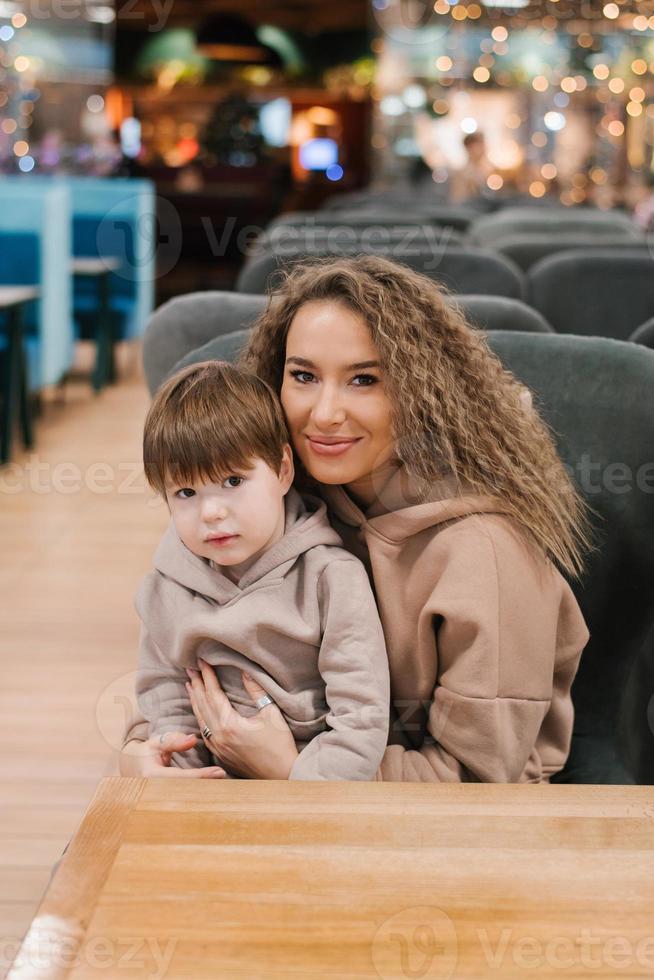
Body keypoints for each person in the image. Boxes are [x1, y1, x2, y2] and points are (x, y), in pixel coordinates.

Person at [121, 255, 590, 783]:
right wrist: (145, 747)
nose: (324, 413)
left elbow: (481, 779)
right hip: (248, 786)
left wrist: (290, 769)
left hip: (446, 826)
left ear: (419, 391)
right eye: (303, 376)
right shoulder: (259, 494)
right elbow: (179, 645)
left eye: (364, 380)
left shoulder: (488, 553)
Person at [133, 359, 390, 780]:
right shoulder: (164, 589)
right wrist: (182, 779)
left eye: (233, 482)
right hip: (208, 787)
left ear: (283, 470)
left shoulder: (330, 578)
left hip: (313, 786)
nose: (212, 512)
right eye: (185, 492)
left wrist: (304, 789)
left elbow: (361, 715)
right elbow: (165, 697)